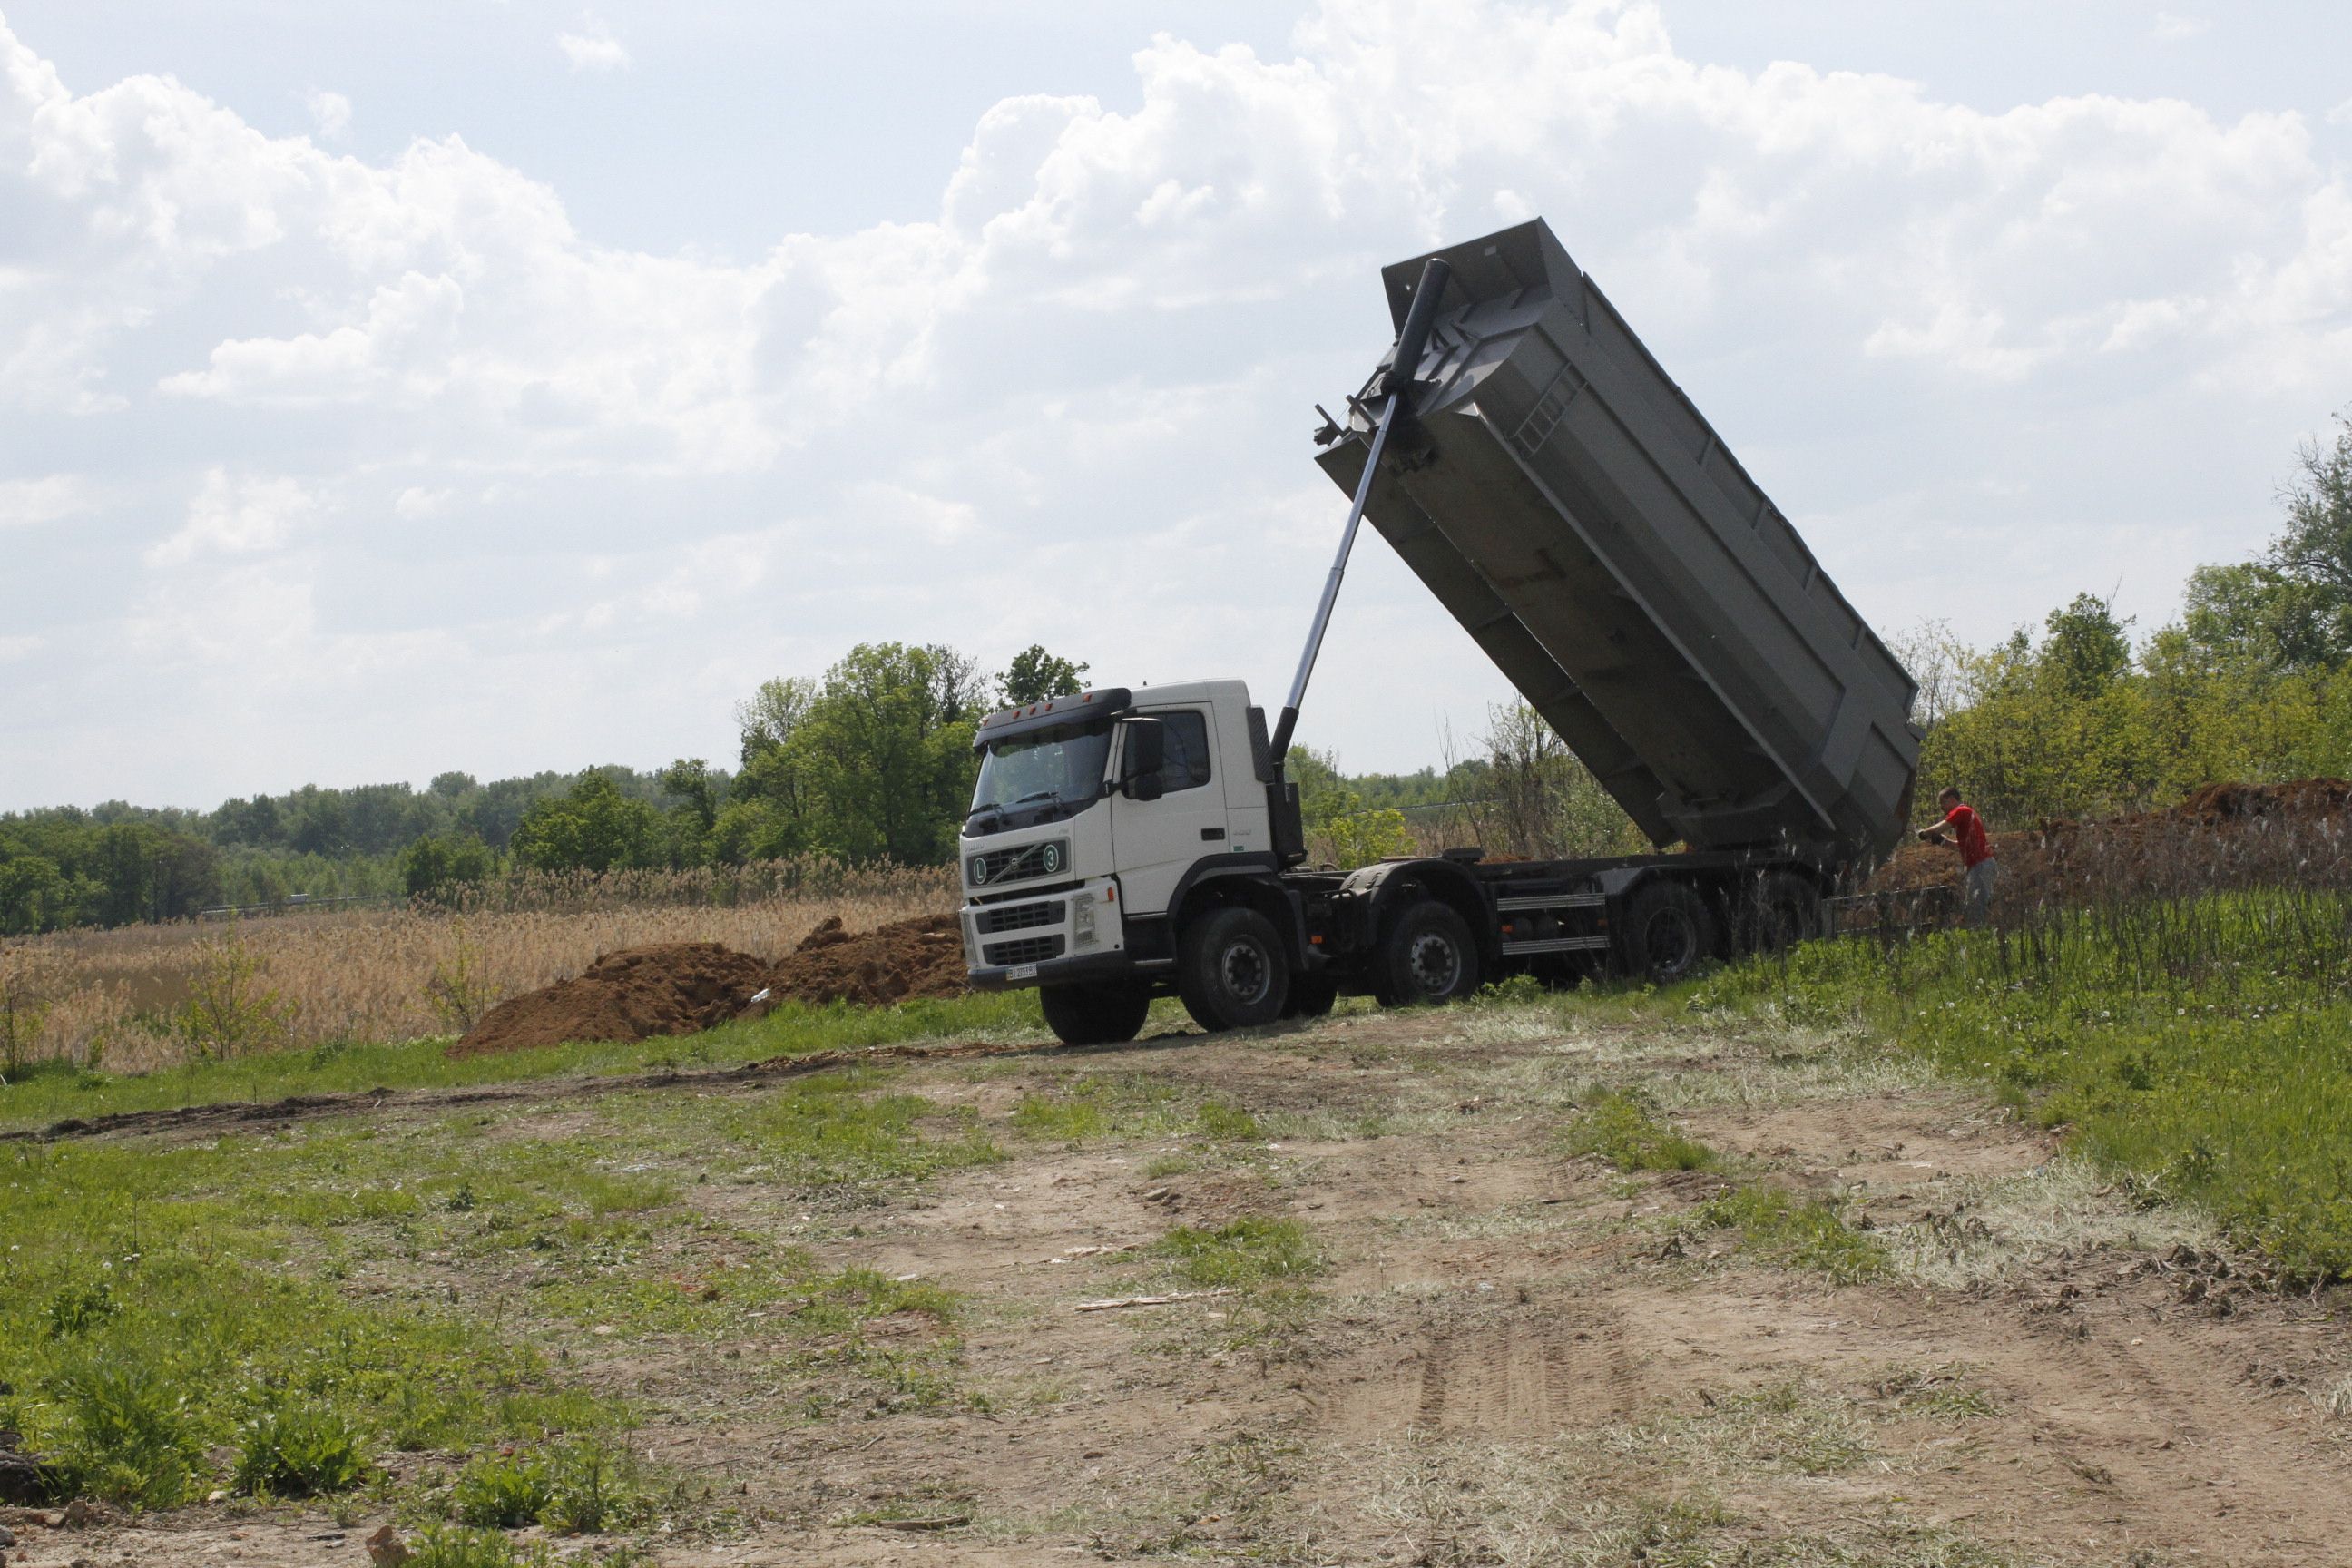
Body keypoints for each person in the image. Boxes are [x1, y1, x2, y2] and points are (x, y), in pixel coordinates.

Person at [1918, 786, 1998, 926]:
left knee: (1975, 909)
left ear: (1951, 799)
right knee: (1977, 906)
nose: (1941, 808)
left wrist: (1923, 833)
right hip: (1982, 865)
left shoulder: (1961, 811)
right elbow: (1960, 846)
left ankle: (1978, 939)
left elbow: (1938, 828)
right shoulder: (1967, 814)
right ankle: (1981, 936)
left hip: (1980, 865)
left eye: (1942, 803)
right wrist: (1943, 842)